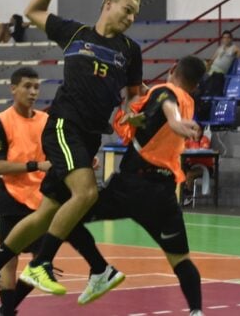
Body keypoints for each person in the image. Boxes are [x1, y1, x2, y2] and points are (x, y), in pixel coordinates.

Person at [0, 0, 142, 310]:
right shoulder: (75, 34)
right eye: (127, 9)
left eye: (136, 14)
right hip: (64, 126)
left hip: (91, 135)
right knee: (87, 192)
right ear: (108, 4)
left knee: (47, 213)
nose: (131, 17)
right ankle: (41, 264)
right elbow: (33, 11)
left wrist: (133, 111)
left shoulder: (130, 50)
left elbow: (134, 94)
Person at [0, 67, 125, 314]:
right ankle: (6, 309)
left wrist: (79, 162)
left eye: (36, 87)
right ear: (13, 89)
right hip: (11, 194)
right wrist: (35, 165)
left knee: (40, 259)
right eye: (27, 86)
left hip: (40, 195)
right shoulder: (2, 121)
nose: (32, 92)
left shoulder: (46, 120)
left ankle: (4, 304)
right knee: (10, 260)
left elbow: (61, 151)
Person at [82, 55, 205, 316]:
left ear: (172, 70)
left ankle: (97, 268)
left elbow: (168, 110)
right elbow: (161, 114)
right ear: (195, 86)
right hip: (162, 195)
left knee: (69, 218)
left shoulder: (166, 92)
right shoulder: (189, 102)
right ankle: (196, 311)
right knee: (181, 260)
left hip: (132, 186)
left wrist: (175, 122)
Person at [182, 126, 214, 206]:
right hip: (193, 166)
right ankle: (182, 194)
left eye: (198, 130)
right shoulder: (188, 141)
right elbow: (183, 149)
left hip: (206, 167)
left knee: (189, 174)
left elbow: (204, 149)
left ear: (202, 131)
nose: (196, 132)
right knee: (180, 171)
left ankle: (188, 195)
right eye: (194, 130)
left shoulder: (205, 139)